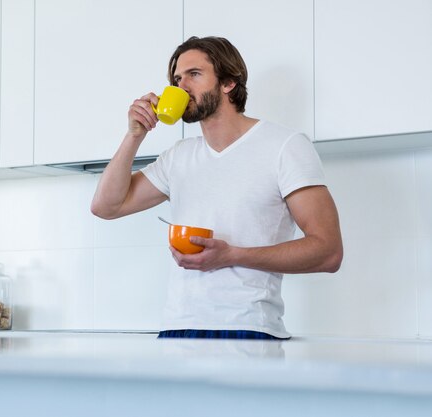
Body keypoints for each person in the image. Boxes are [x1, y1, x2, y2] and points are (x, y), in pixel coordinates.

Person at [90, 36, 343, 340]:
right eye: (177, 79)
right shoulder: (179, 156)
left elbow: (328, 252)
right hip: (177, 330)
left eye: (194, 75)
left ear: (228, 83)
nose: (181, 87)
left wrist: (232, 255)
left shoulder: (285, 146)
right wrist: (134, 135)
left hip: (249, 329)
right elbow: (106, 206)